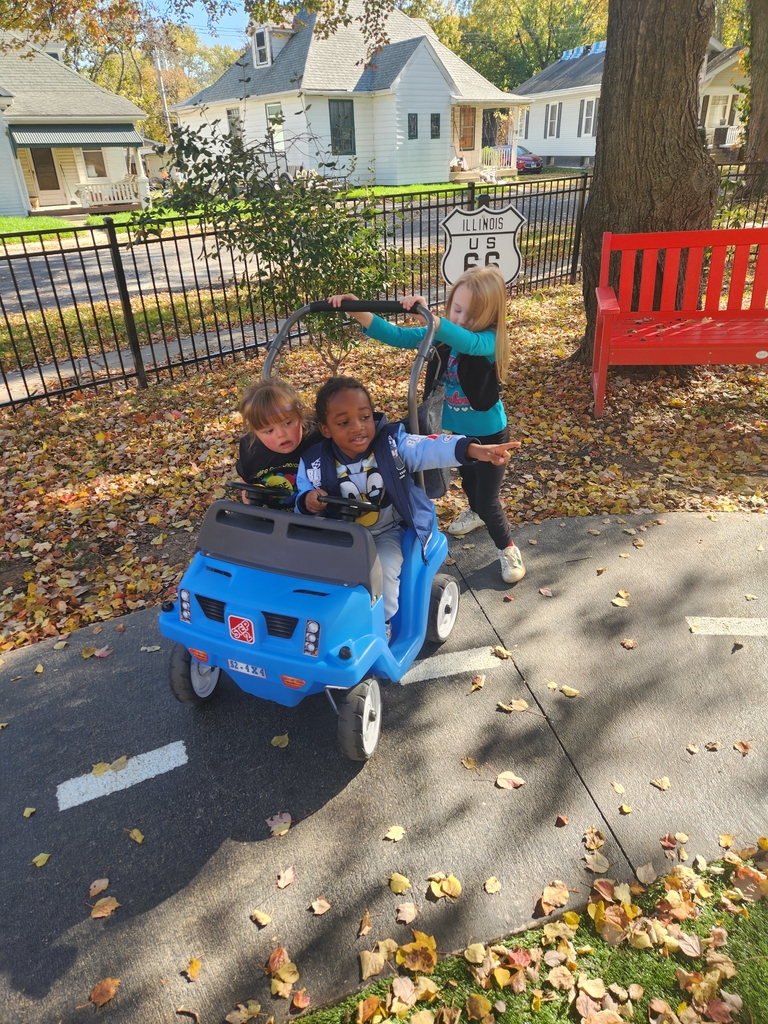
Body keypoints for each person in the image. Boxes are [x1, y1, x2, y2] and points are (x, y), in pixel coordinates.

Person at [329, 265, 526, 583]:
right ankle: (474, 509)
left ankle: (508, 548)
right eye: (456, 309)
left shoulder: (490, 341)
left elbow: (469, 343)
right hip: (461, 433)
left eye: (470, 315)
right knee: (471, 487)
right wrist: (360, 313)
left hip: (491, 434)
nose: (460, 319)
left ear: (490, 317)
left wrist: (438, 322)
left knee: (488, 501)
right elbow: (398, 336)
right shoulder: (444, 336)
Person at [295, 376, 518, 634]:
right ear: (325, 429)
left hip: (386, 531)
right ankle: (329, 623)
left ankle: (382, 626)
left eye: (365, 417)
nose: (357, 427)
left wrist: (473, 450)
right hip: (342, 535)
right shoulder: (314, 462)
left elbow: (429, 447)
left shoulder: (391, 444)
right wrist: (308, 501)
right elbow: (304, 492)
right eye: (344, 423)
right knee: (321, 574)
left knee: (384, 569)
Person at [236, 379, 321, 509]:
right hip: (269, 520)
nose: (281, 434)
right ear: (255, 432)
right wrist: (247, 496)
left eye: (287, 423)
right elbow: (246, 476)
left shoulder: (317, 438)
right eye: (269, 430)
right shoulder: (251, 449)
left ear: (300, 414)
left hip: (318, 519)